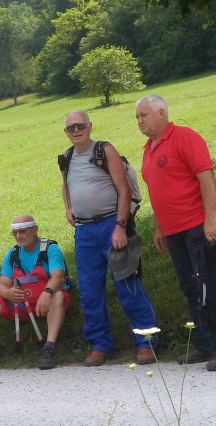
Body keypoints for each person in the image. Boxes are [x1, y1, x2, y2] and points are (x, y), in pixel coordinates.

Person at [135, 94, 216, 371]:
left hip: (197, 224)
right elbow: (159, 190)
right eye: (137, 117)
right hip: (174, 231)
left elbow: (206, 178)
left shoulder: (185, 138)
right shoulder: (149, 148)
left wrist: (211, 219)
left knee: (210, 285)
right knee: (191, 287)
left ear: (161, 113)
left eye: (144, 115)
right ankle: (205, 344)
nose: (139, 121)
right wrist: (159, 226)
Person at [60, 110, 159, 366]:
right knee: (90, 290)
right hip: (84, 232)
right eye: (71, 128)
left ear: (90, 126)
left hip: (110, 225)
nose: (76, 130)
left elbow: (123, 190)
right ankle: (99, 345)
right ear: (66, 132)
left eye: (80, 125)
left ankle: (146, 342)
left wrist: (120, 226)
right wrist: (68, 207)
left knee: (127, 284)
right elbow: (66, 185)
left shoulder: (105, 150)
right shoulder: (67, 158)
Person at [0, 215, 71, 372]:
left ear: (35, 230)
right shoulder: (12, 254)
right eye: (14, 233)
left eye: (22, 231)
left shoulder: (50, 248)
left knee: (58, 296)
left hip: (48, 301)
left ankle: (48, 349)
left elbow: (58, 276)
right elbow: (2, 284)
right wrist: (7, 293)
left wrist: (47, 292)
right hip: (22, 305)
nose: (18, 236)